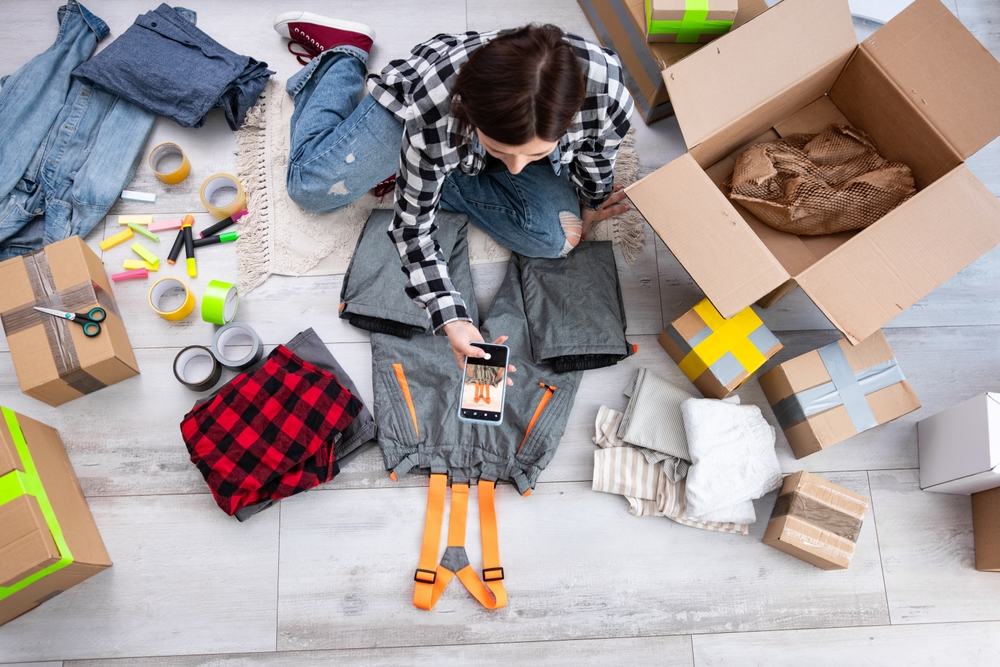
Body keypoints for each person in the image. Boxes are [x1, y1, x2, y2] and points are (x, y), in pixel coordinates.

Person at [273, 12, 634, 372]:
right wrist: (452, 318)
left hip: (466, 138)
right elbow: (412, 229)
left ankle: (423, 170)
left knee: (559, 239)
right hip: (427, 103)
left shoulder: (610, 93)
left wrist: (592, 199)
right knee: (310, 189)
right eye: (500, 150)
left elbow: (599, 154)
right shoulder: (435, 110)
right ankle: (342, 55)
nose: (515, 169)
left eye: (535, 153)